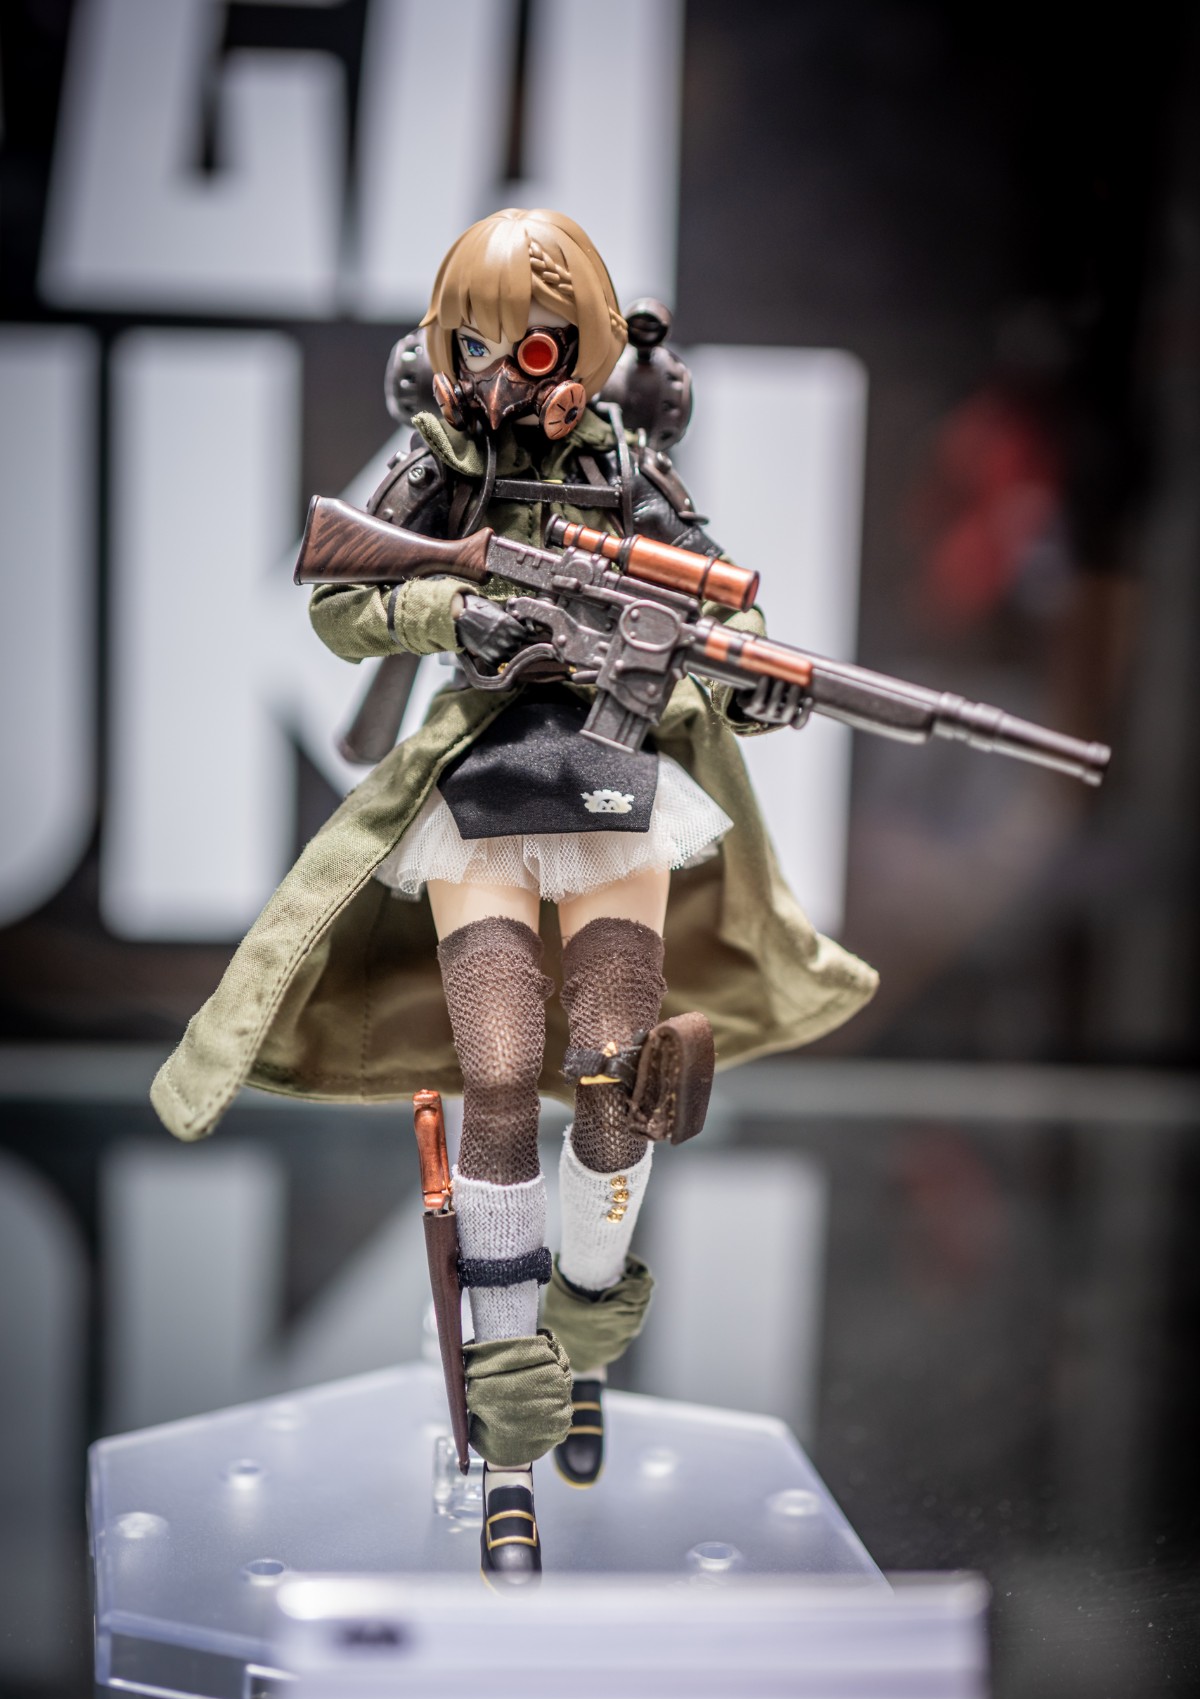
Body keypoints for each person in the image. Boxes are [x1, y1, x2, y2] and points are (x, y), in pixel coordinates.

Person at [152, 208, 878, 1586]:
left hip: (612, 787)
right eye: (472, 345)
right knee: (494, 1075)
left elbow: (731, 623)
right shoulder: (441, 465)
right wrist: (456, 611)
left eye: (534, 349)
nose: (498, 375)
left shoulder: (626, 467)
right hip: (480, 787)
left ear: (588, 350)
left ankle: (579, 1347)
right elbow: (340, 603)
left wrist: (751, 680)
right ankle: (508, 1451)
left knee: (612, 1074)